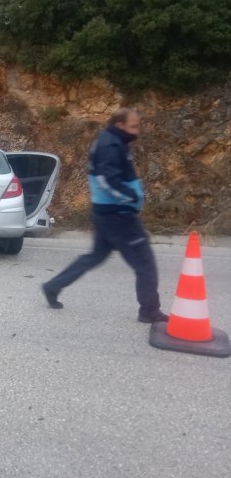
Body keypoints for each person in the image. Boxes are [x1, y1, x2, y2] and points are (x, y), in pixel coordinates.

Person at [42, 108, 169, 324]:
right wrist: (131, 197)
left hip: (106, 213)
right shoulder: (111, 145)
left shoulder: (109, 140)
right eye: (133, 127)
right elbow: (106, 179)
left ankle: (53, 286)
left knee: (95, 257)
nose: (137, 131)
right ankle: (149, 310)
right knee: (145, 263)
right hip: (119, 216)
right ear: (120, 126)